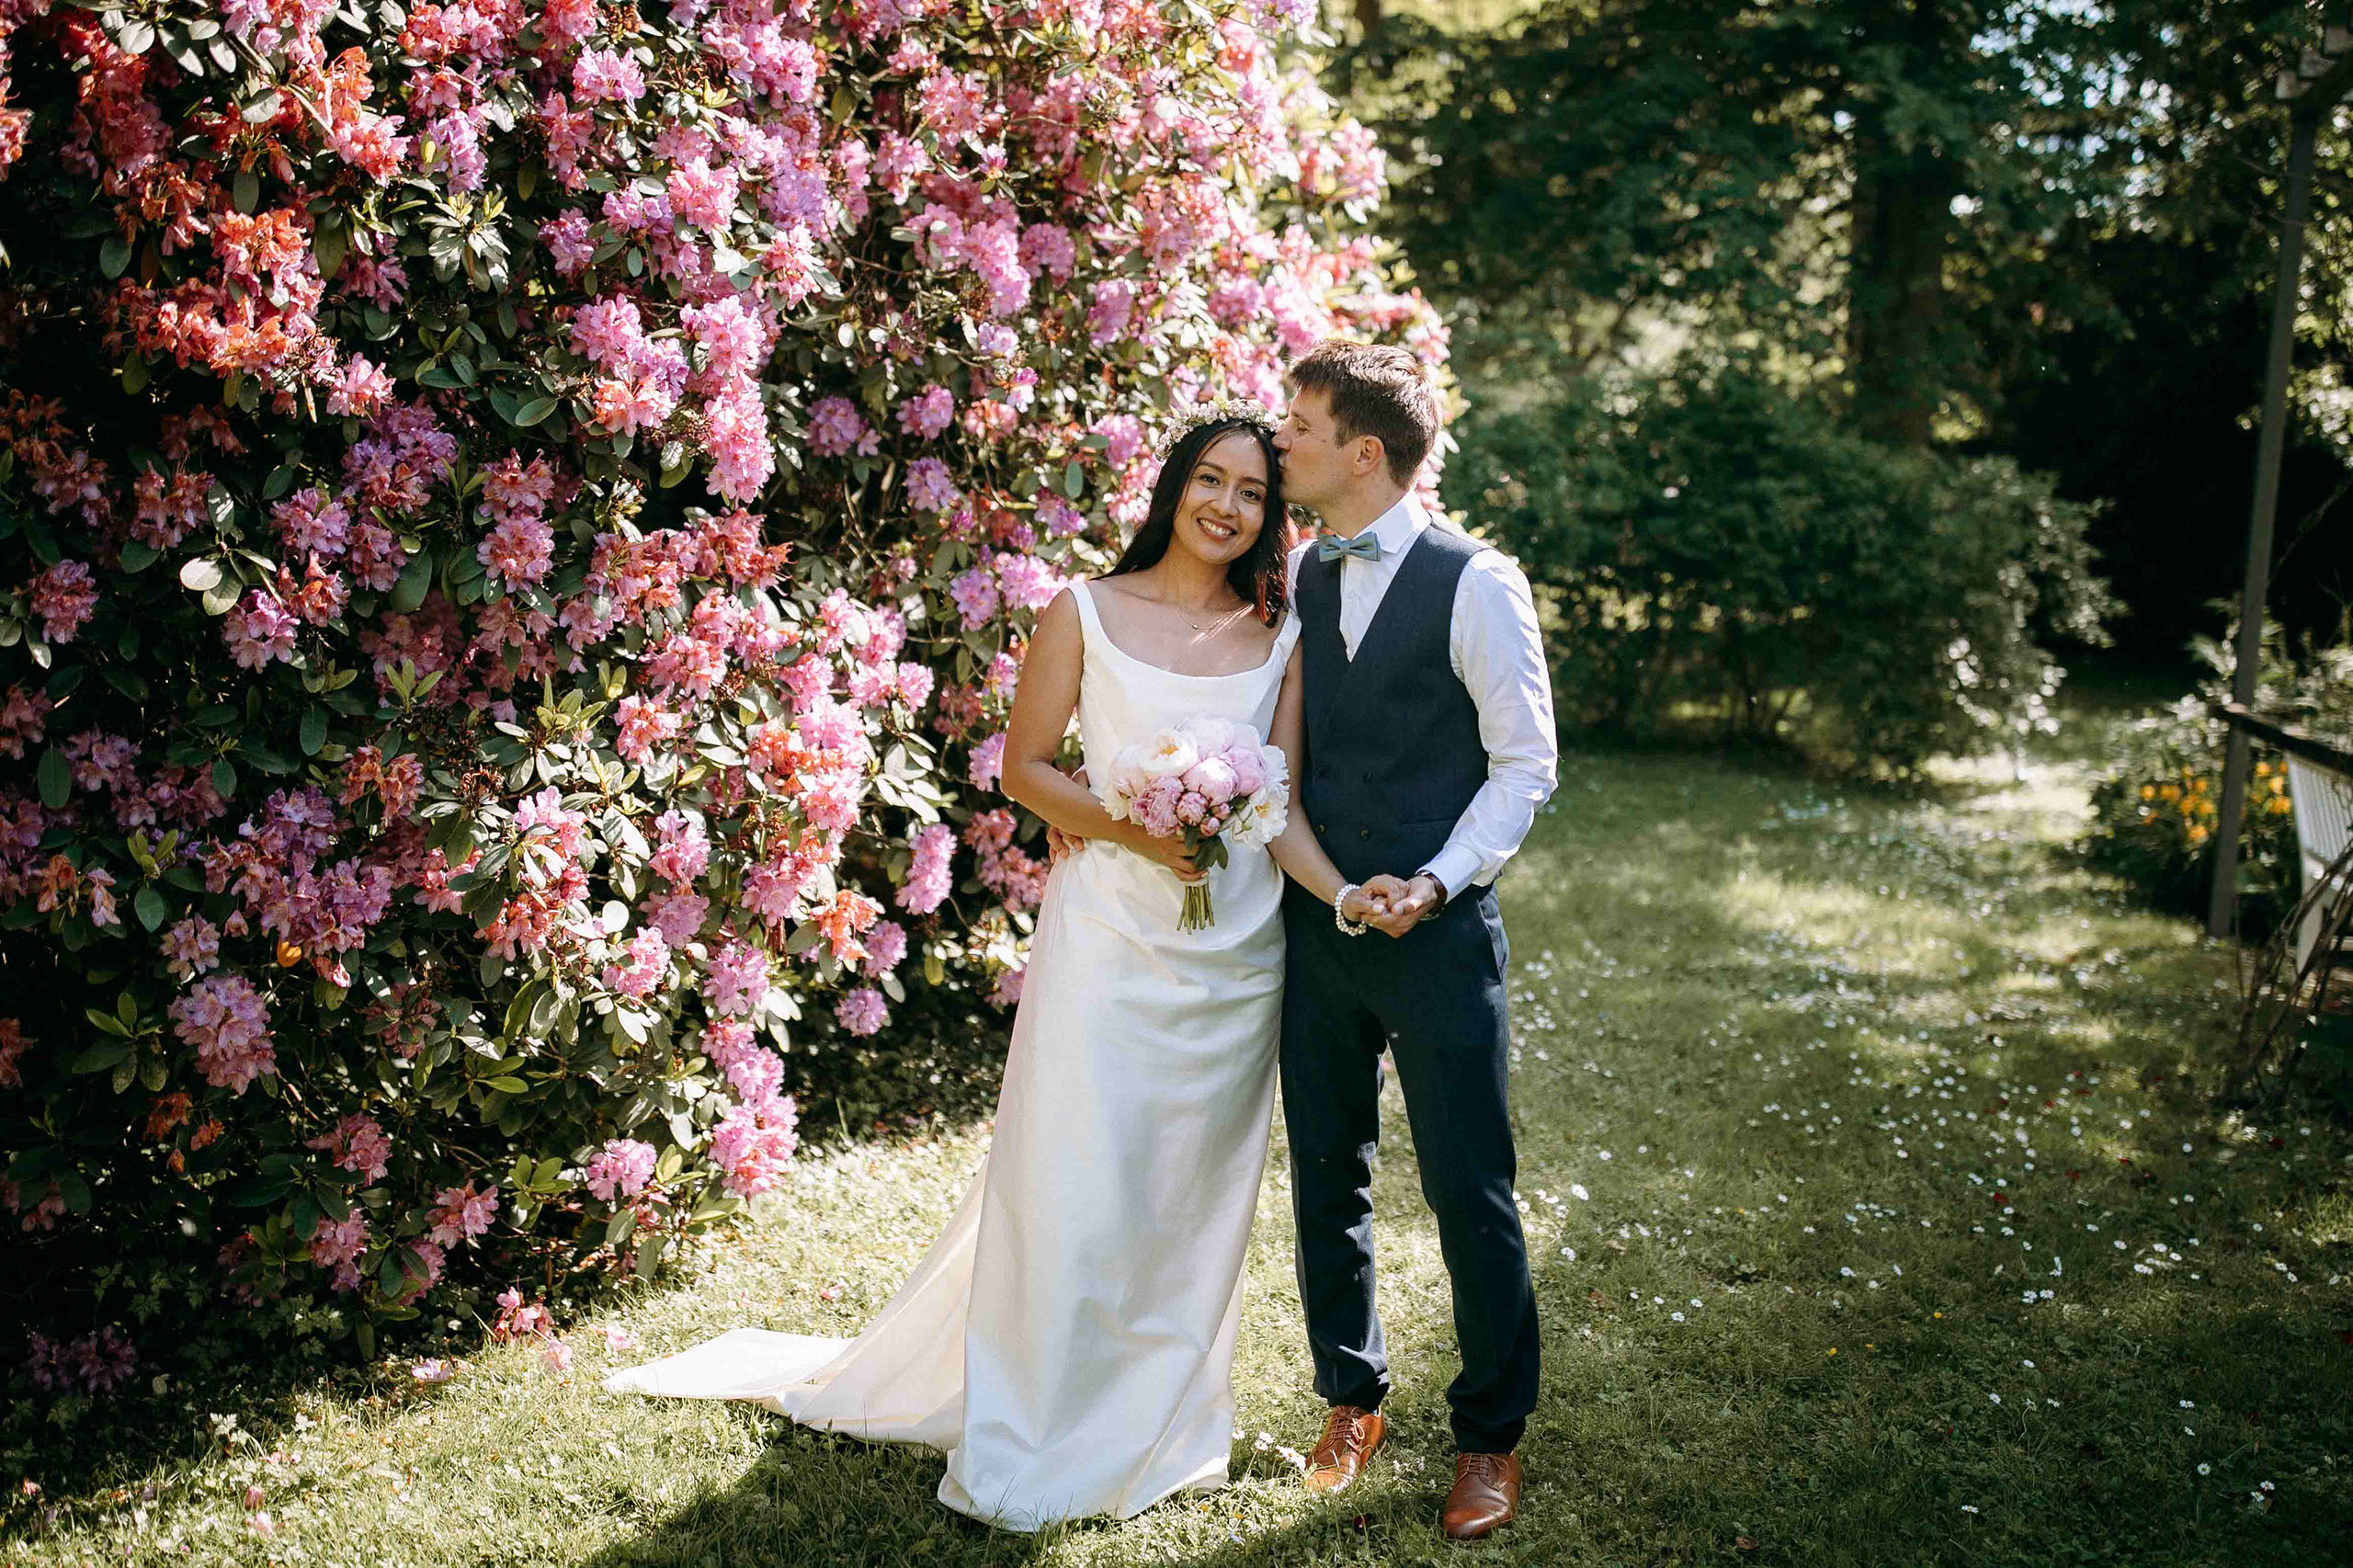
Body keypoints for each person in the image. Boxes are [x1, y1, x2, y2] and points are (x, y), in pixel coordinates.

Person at [606, 404, 1385, 1532]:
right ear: (1174, 485)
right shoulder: (1085, 608)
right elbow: (1025, 768)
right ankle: (1042, 1408)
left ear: (1272, 514)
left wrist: (1346, 896)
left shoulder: (1280, 635)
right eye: (1211, 479)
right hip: (1108, 939)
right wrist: (1136, 827)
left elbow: (1283, 803)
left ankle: (1158, 1415)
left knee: (1188, 1192)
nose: (1228, 505)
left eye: (1254, 491)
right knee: (1076, 1170)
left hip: (1236, 954)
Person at [1267, 338, 1558, 1540]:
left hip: (1438, 938)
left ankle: (1489, 1436)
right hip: (1317, 922)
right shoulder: (1299, 571)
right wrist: (1334, 889)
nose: (1281, 440)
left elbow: (1523, 764)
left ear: (1363, 450)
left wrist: (1435, 882)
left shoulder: (1478, 581)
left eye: (1300, 425)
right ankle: (1352, 1398)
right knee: (1325, 1168)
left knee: (1466, 1181)